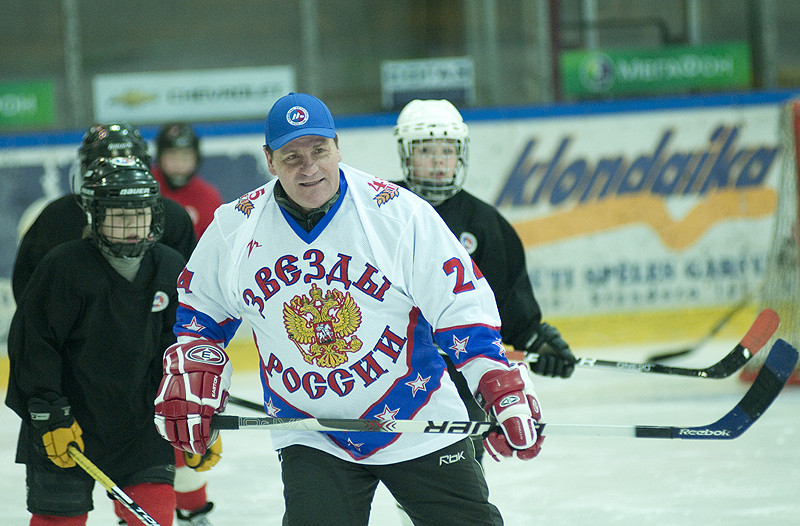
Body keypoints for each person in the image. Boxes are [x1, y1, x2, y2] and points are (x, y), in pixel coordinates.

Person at [152, 92, 545, 526]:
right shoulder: (235, 226)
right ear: (269, 160)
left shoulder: (397, 215)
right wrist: (197, 363)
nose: (309, 167)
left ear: (337, 147)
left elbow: (459, 305)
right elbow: (201, 309)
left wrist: (493, 377)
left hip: (415, 413)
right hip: (311, 429)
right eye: (291, 155)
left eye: (319, 150)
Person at [9, 122, 219, 525]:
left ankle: (193, 506)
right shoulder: (63, 257)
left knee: (154, 507)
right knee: (60, 515)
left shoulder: (168, 258)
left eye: (138, 215)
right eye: (117, 216)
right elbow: (34, 333)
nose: (129, 228)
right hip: (73, 400)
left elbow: (184, 333)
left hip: (138, 410)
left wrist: (194, 405)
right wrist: (47, 408)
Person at [393, 99, 578, 463]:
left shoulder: (483, 222)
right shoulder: (380, 207)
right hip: (387, 372)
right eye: (426, 150)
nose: (438, 160)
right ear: (406, 154)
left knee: (453, 482)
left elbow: (504, 303)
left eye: (447, 150)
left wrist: (533, 338)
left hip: (460, 377)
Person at [12, 122, 197, 303]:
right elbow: (29, 292)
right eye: (107, 168)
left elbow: (192, 288)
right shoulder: (56, 217)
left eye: (129, 167)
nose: (118, 176)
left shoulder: (173, 218)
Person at [151, 122, 224, 239]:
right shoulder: (145, 187)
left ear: (197, 158)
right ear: (159, 157)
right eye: (172, 156)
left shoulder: (208, 196)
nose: (179, 164)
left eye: (185, 156)